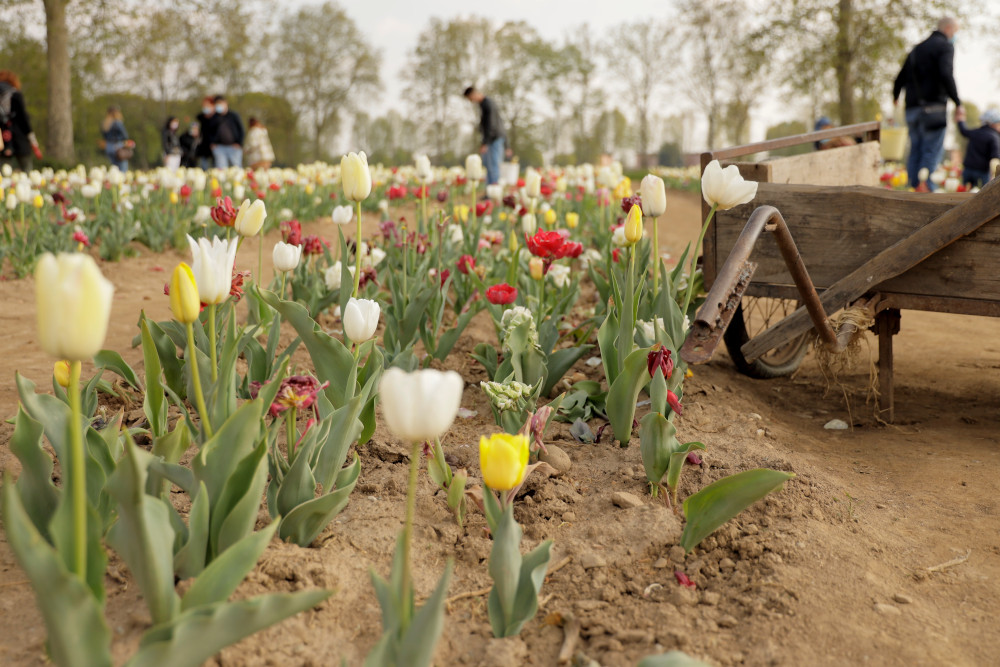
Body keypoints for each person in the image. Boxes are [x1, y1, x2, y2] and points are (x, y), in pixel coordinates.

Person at [893, 17, 962, 190]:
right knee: (930, 152)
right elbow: (946, 74)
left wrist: (895, 96)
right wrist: (957, 102)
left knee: (915, 150)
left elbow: (899, 78)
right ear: (948, 29)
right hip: (934, 109)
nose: (954, 36)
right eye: (955, 31)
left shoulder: (916, 49)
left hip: (912, 109)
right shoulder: (945, 46)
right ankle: (926, 192)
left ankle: (911, 190)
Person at [463, 86, 506, 185]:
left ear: (473, 94)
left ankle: (493, 191)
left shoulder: (487, 104)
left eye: (470, 99)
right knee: (489, 165)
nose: (471, 101)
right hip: (493, 138)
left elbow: (491, 125)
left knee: (493, 165)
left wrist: (485, 143)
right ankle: (490, 191)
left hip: (493, 138)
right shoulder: (485, 104)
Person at [0, 70, 41, 171]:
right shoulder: (16, 95)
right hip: (20, 138)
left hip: (5, 137)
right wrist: (32, 140)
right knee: (26, 169)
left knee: (4, 170)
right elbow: (24, 120)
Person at [955, 107, 1000, 188]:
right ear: (993, 124)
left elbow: (963, 131)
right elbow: (995, 157)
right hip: (982, 172)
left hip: (968, 170)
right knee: (983, 196)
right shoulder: (994, 137)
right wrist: (994, 173)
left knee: (965, 194)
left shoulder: (976, 132)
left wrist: (960, 120)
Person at [205, 94, 244, 169]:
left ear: (225, 103)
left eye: (220, 103)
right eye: (217, 104)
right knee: (221, 169)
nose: (219, 105)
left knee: (237, 168)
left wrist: (239, 143)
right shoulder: (213, 117)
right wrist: (212, 143)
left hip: (234, 147)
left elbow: (241, 130)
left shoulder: (234, 115)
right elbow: (208, 132)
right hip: (219, 148)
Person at [101, 106, 133, 172]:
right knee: (122, 168)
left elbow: (104, 136)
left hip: (109, 146)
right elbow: (125, 135)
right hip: (118, 146)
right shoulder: (117, 123)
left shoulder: (105, 123)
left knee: (114, 168)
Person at [195, 96, 215, 170]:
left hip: (215, 147)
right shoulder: (200, 118)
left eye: (207, 105)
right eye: (204, 105)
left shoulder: (217, 118)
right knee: (203, 168)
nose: (205, 107)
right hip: (203, 148)